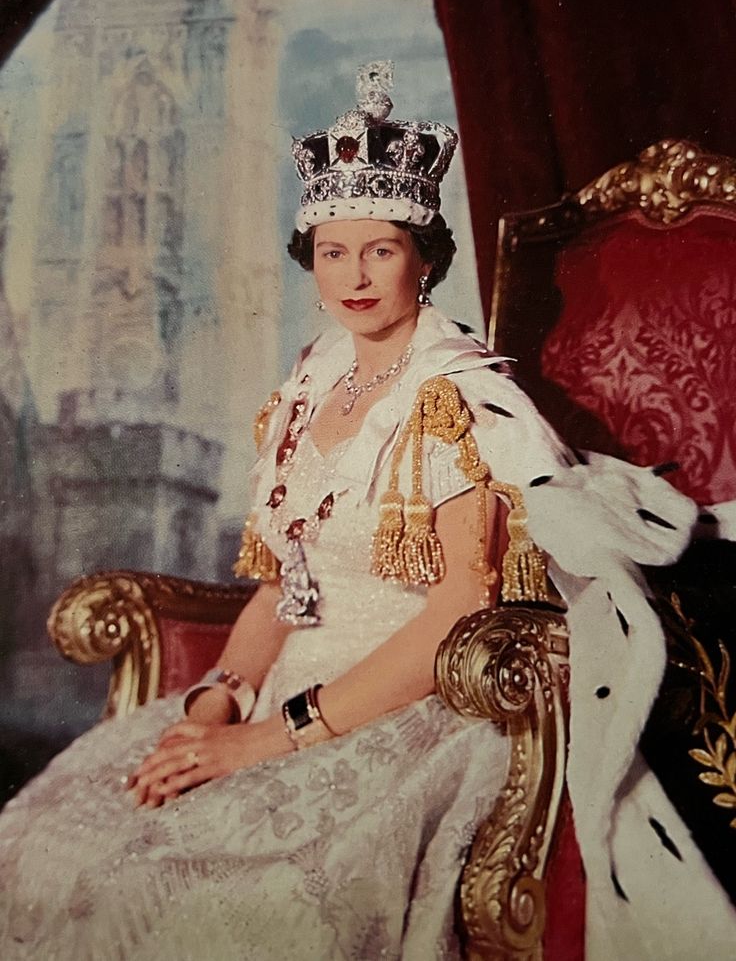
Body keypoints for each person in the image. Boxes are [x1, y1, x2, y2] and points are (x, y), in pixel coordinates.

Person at [0, 61, 734, 961]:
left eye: (380, 250)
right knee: (43, 843)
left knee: (204, 901)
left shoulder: (455, 399)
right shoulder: (307, 391)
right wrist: (220, 699)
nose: (354, 275)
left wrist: (273, 737)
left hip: (406, 710)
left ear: (425, 259)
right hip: (275, 695)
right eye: (334, 251)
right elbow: (279, 583)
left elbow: (457, 612)